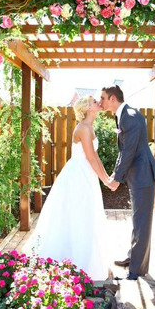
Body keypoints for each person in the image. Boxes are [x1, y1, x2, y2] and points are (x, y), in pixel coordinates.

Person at [31, 96, 111, 279]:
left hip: (87, 174)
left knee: (86, 214)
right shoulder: (83, 128)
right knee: (78, 214)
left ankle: (87, 260)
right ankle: (74, 262)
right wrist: (106, 181)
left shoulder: (89, 127)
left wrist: (107, 178)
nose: (98, 101)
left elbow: (96, 157)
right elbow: (90, 158)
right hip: (78, 176)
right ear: (87, 108)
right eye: (93, 101)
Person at [100, 84, 155, 280]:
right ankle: (132, 258)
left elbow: (129, 151)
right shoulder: (123, 114)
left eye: (102, 98)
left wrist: (116, 178)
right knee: (137, 220)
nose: (100, 101)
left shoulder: (131, 117)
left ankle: (137, 271)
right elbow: (123, 150)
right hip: (137, 175)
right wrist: (114, 174)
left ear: (112, 99)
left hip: (143, 175)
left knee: (142, 223)